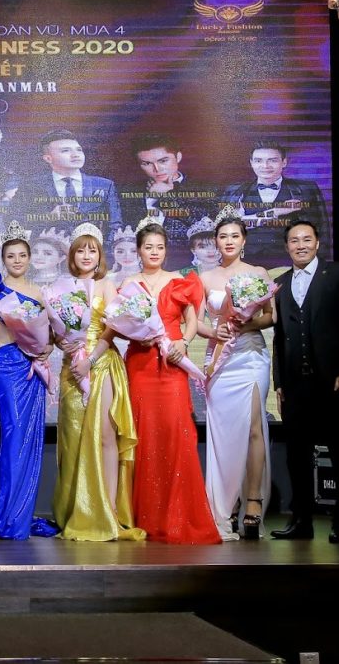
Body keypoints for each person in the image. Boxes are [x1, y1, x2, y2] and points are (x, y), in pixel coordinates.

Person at [122, 218, 220, 544]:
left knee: (177, 434)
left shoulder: (179, 280)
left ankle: (178, 515)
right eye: (148, 247)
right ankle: (145, 517)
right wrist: (137, 334)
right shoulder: (129, 284)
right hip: (140, 365)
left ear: (166, 250)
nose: (154, 252)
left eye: (160, 247)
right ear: (139, 251)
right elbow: (119, 325)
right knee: (144, 434)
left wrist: (183, 342)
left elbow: (192, 321)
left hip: (173, 364)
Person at [53, 223, 145, 542]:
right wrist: (63, 344)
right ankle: (74, 510)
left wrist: (89, 360)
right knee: (74, 437)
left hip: (101, 363)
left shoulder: (107, 285)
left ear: (100, 255)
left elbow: (113, 328)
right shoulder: (60, 287)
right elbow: (55, 330)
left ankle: (109, 508)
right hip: (71, 368)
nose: (86, 255)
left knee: (105, 435)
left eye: (92, 250)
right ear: (72, 254)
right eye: (81, 250)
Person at [271, 220, 339, 543]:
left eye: (306, 239)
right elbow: (279, 338)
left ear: (318, 243)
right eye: (294, 241)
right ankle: (302, 521)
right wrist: (279, 383)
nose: (301, 245)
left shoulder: (338, 274)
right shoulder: (280, 283)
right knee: (297, 455)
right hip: (295, 384)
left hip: (332, 381)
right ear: (287, 247)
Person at [0, 222, 56, 540]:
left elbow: (51, 337)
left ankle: (16, 512)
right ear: (3, 259)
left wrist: (46, 349)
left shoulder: (40, 292)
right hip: (6, 364)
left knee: (29, 437)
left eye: (22, 255)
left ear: (29, 258)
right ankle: (5, 515)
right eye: (11, 256)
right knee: (14, 433)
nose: (17, 260)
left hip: (31, 368)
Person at [197, 211, 274, 541]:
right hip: (220, 359)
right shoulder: (205, 277)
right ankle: (226, 502)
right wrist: (215, 330)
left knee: (254, 427)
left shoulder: (257, 273)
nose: (228, 241)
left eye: (234, 236)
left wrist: (248, 322)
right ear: (216, 242)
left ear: (244, 240)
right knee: (224, 434)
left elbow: (270, 316)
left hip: (251, 356)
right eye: (223, 236)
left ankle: (253, 501)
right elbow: (196, 323)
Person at [217, 141, 331, 268]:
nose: (265, 166)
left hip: (291, 262)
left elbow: (322, 229)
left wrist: (319, 266)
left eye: (272, 160)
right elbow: (227, 227)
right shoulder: (235, 191)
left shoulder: (305, 189)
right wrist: (276, 211)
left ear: (284, 162)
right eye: (258, 161)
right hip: (246, 262)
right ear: (251, 163)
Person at [122, 134, 215, 267]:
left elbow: (204, 224)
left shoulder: (202, 187)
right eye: (147, 163)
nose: (157, 169)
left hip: (186, 266)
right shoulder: (129, 191)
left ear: (178, 157)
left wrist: (166, 196)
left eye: (163, 161)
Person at [15, 129, 121, 238]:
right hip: (46, 247)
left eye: (79, 150)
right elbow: (14, 222)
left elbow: (114, 226)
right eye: (65, 151)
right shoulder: (30, 186)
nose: (75, 155)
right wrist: (49, 217)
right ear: (48, 158)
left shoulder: (105, 185)